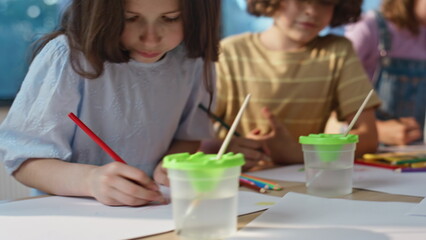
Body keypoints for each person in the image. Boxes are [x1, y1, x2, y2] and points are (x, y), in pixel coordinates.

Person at [0, 0, 220, 206]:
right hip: (72, 218)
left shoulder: (191, 63)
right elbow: (24, 161)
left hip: (153, 212)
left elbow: (187, 137)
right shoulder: (68, 57)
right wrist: (90, 180)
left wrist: (172, 163)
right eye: (130, 18)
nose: (151, 38)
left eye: (171, 18)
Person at [201, 0, 381, 170]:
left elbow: (369, 137)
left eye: (325, 1)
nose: (311, 11)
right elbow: (192, 137)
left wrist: (300, 153)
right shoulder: (230, 52)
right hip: (240, 183)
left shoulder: (338, 52)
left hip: (304, 183)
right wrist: (223, 147)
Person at [345, 0, 426, 146]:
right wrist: (377, 131)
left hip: (414, 154)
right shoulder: (368, 27)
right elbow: (330, 114)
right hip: (366, 152)